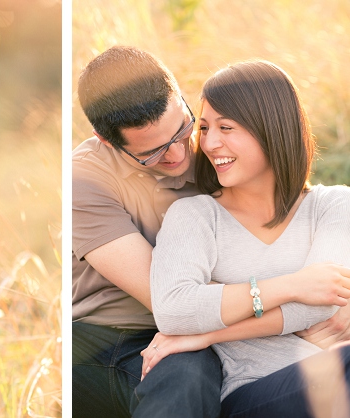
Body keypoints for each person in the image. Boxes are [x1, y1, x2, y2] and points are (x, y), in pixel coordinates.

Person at [145, 60, 350, 417]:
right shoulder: (194, 217)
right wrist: (293, 284)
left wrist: (208, 334)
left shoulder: (334, 205)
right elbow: (174, 309)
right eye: (205, 127)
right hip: (255, 393)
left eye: (226, 127)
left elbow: (322, 303)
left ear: (271, 129)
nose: (209, 142)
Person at [71, 45, 223, 417]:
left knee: (190, 377)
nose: (178, 155)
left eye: (181, 129)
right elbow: (168, 299)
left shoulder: (218, 145)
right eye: (153, 153)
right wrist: (287, 305)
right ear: (106, 140)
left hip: (202, 326)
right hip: (102, 336)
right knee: (185, 378)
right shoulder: (85, 178)